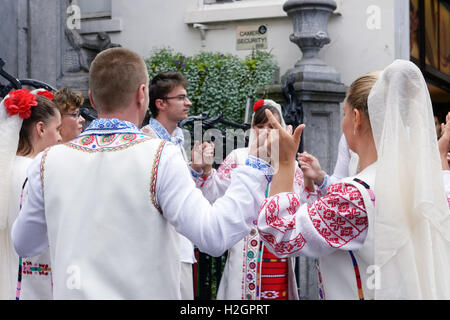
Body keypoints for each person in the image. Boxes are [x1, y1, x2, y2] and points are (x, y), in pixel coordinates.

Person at [10, 47, 303, 299]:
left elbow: (25, 243)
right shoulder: (160, 155)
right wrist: (255, 166)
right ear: (142, 94)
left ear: (92, 99)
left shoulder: (48, 162)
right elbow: (213, 235)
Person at [258, 60, 450, 299]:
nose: (344, 121)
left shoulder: (355, 196)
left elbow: (280, 234)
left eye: (344, 113)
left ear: (357, 118)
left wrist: (284, 162)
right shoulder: (427, 186)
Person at [193, 99, 318, 300]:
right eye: (260, 127)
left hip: (278, 255)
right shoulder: (238, 158)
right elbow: (215, 195)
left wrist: (311, 182)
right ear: (252, 130)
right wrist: (207, 170)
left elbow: (306, 209)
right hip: (243, 256)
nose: (266, 132)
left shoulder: (290, 165)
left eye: (272, 126)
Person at [140, 72, 200, 300]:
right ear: (161, 103)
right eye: (181, 97)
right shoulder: (147, 139)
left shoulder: (178, 137)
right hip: (159, 248)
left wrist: (195, 170)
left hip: (181, 243)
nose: (188, 103)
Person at [0, 89, 62, 300]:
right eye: (58, 128)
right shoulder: (39, 172)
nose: (61, 137)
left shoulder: (6, 169)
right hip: (36, 281)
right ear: (41, 129)